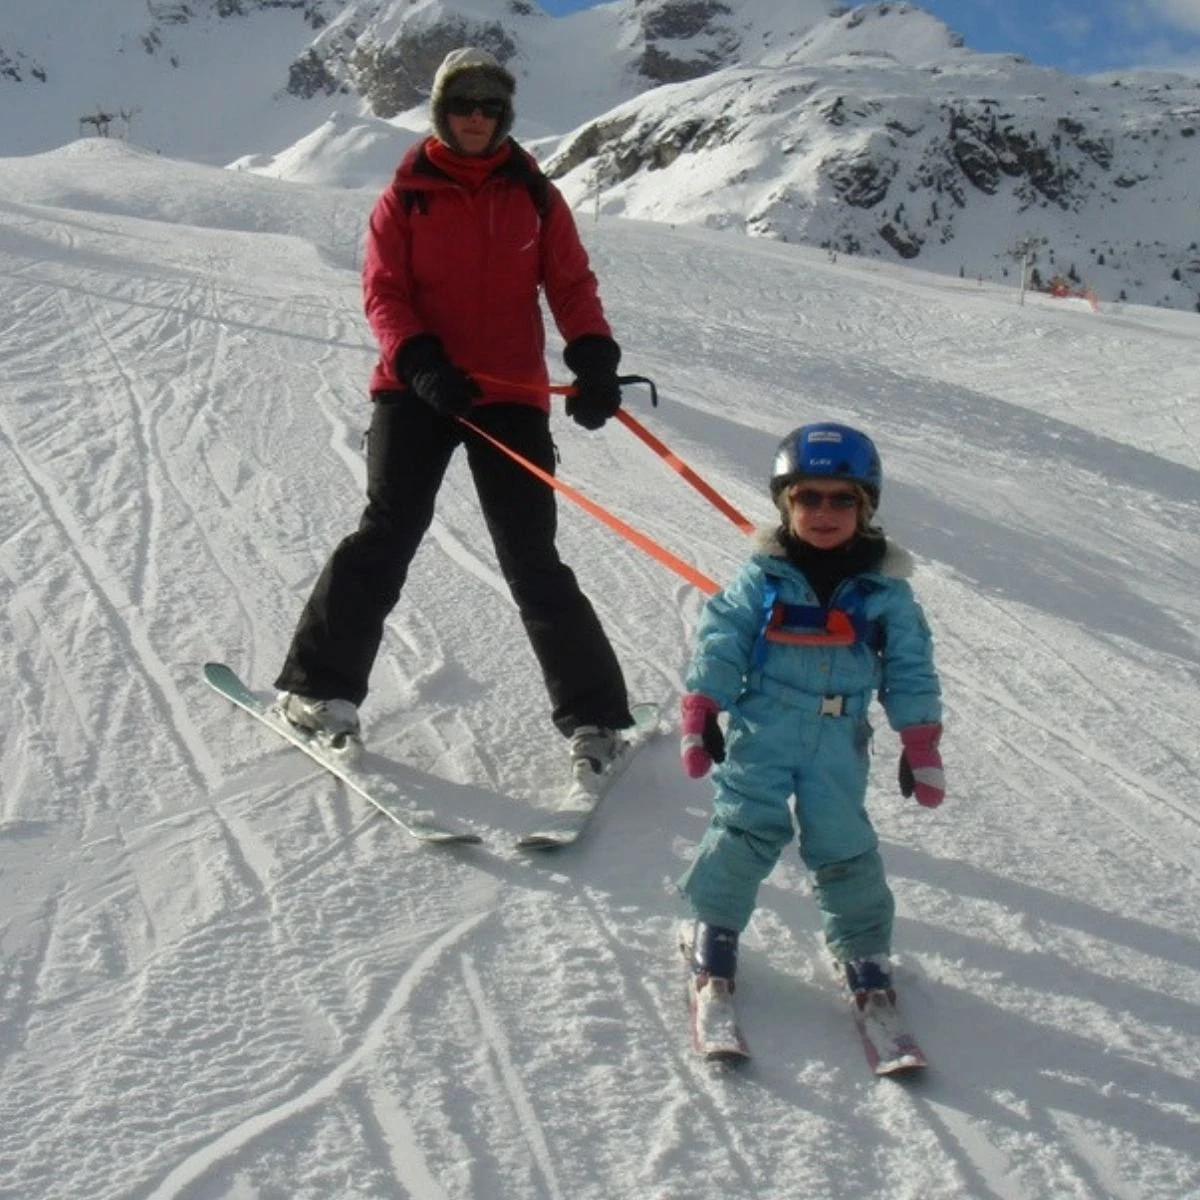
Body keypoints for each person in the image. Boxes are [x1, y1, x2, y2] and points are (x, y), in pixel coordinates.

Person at [274, 46, 634, 777]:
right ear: (442, 112)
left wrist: (594, 357)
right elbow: (383, 293)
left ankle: (596, 719)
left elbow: (570, 283)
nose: (477, 117)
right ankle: (317, 690)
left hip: (510, 393)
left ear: (504, 116)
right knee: (388, 531)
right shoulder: (405, 196)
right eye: (463, 105)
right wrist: (421, 363)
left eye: (490, 107)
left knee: (531, 555)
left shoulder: (535, 196)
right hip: (416, 388)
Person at [675, 422, 944, 1019]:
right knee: (745, 829)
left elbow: (910, 665)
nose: (824, 513)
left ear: (865, 508)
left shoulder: (885, 590)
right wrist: (704, 705)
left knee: (843, 843)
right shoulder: (763, 577)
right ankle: (714, 929)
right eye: (808, 498)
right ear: (785, 503)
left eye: (842, 500)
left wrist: (920, 739)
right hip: (763, 729)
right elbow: (722, 638)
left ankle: (863, 948)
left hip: (839, 738)